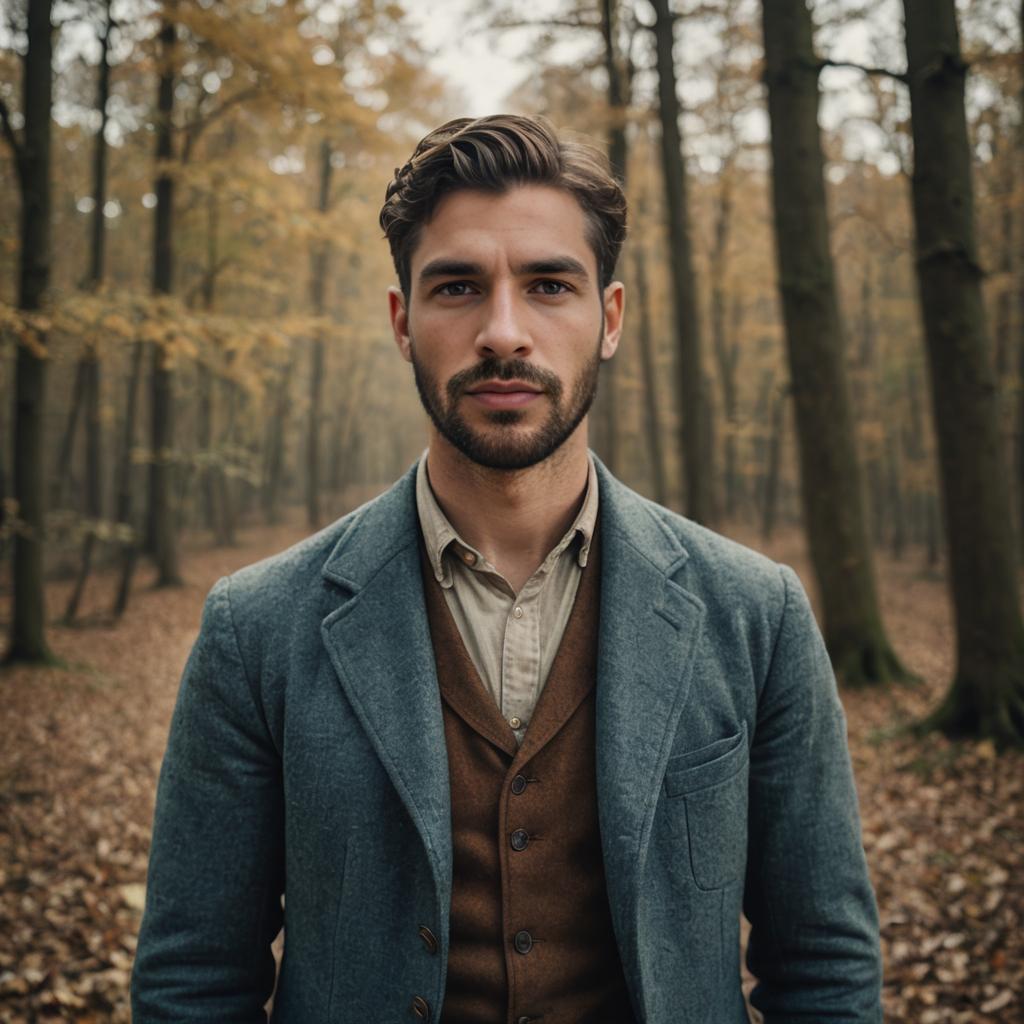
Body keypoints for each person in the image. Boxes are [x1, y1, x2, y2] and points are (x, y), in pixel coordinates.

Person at [130, 114, 882, 1023]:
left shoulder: (754, 614)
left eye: (548, 284)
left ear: (607, 319)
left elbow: (826, 967)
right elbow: (192, 981)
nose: (503, 331)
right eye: (457, 287)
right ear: (404, 322)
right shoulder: (257, 628)